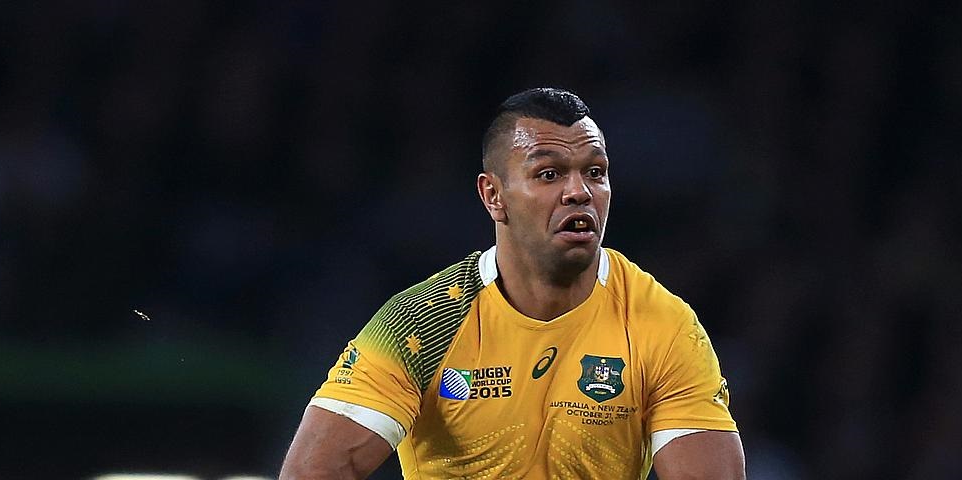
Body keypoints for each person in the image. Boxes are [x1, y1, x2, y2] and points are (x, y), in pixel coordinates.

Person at [278, 88, 744, 479]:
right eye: (549, 174)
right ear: (493, 195)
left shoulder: (662, 324)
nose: (579, 192)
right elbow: (313, 471)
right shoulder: (422, 323)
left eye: (595, 172)